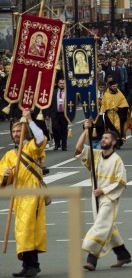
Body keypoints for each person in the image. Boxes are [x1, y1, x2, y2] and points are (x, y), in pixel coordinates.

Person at [74, 120, 132, 271]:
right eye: (103, 138)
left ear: (114, 142)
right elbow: (79, 148)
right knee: (107, 226)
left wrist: (104, 190)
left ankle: (91, 259)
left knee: (100, 226)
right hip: (96, 196)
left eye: (107, 138)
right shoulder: (96, 155)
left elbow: (121, 182)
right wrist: (86, 131)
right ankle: (123, 254)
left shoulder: (117, 160)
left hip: (109, 198)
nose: (103, 140)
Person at [0, 110, 48, 278]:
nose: (15, 134)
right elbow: (3, 180)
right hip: (19, 197)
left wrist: (29, 120)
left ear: (25, 131)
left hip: (33, 193)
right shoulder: (9, 155)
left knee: (29, 228)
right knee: (21, 230)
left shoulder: (31, 147)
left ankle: (33, 265)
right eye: (13, 131)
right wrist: (6, 176)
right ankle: (28, 265)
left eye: (19, 131)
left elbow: (40, 139)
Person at [97, 79, 130, 148]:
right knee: (110, 129)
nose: (115, 88)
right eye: (113, 86)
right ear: (110, 87)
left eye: (116, 86)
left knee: (117, 128)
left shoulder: (120, 94)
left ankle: (117, 143)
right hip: (109, 114)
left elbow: (124, 104)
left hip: (117, 114)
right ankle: (111, 143)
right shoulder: (106, 94)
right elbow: (104, 105)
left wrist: (119, 109)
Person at [47, 78, 68, 151]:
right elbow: (50, 104)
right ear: (58, 84)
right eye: (60, 83)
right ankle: (57, 143)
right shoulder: (54, 92)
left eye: (63, 83)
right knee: (55, 128)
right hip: (55, 114)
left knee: (64, 129)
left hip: (64, 114)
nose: (62, 85)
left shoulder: (68, 92)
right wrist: (48, 114)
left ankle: (64, 145)